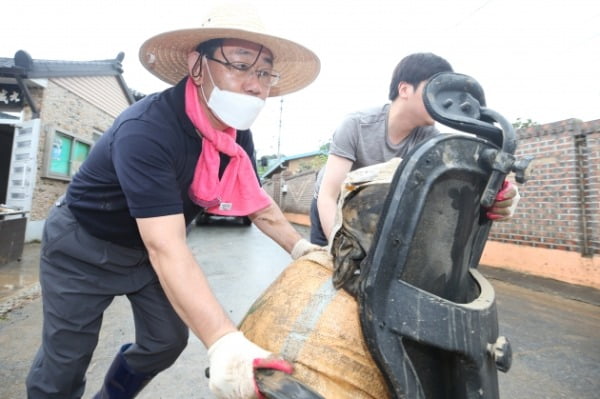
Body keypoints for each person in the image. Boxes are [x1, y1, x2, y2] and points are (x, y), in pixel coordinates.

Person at [26, 4, 323, 399]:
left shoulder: (234, 137)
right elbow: (165, 244)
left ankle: (112, 396)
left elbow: (258, 203)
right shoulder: (146, 130)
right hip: (82, 247)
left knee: (166, 341)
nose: (255, 85)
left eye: (265, 72)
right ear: (197, 66)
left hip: (143, 254)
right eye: (240, 64)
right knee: (65, 364)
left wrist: (303, 249)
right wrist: (225, 341)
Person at [310, 52, 520, 246]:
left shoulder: (430, 139)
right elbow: (328, 196)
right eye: (434, 89)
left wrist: (500, 192)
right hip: (332, 206)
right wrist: (336, 251)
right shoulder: (356, 125)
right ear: (404, 90)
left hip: (373, 210)